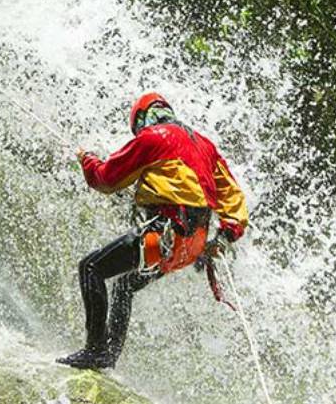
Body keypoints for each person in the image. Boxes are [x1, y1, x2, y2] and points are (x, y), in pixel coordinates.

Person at [56, 92, 249, 369]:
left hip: (165, 235)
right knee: (124, 285)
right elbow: (233, 196)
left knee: (91, 268)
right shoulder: (205, 146)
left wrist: (87, 160)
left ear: (141, 119)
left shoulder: (152, 138)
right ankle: (108, 356)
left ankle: (95, 350)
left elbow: (107, 180)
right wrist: (226, 235)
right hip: (192, 246)